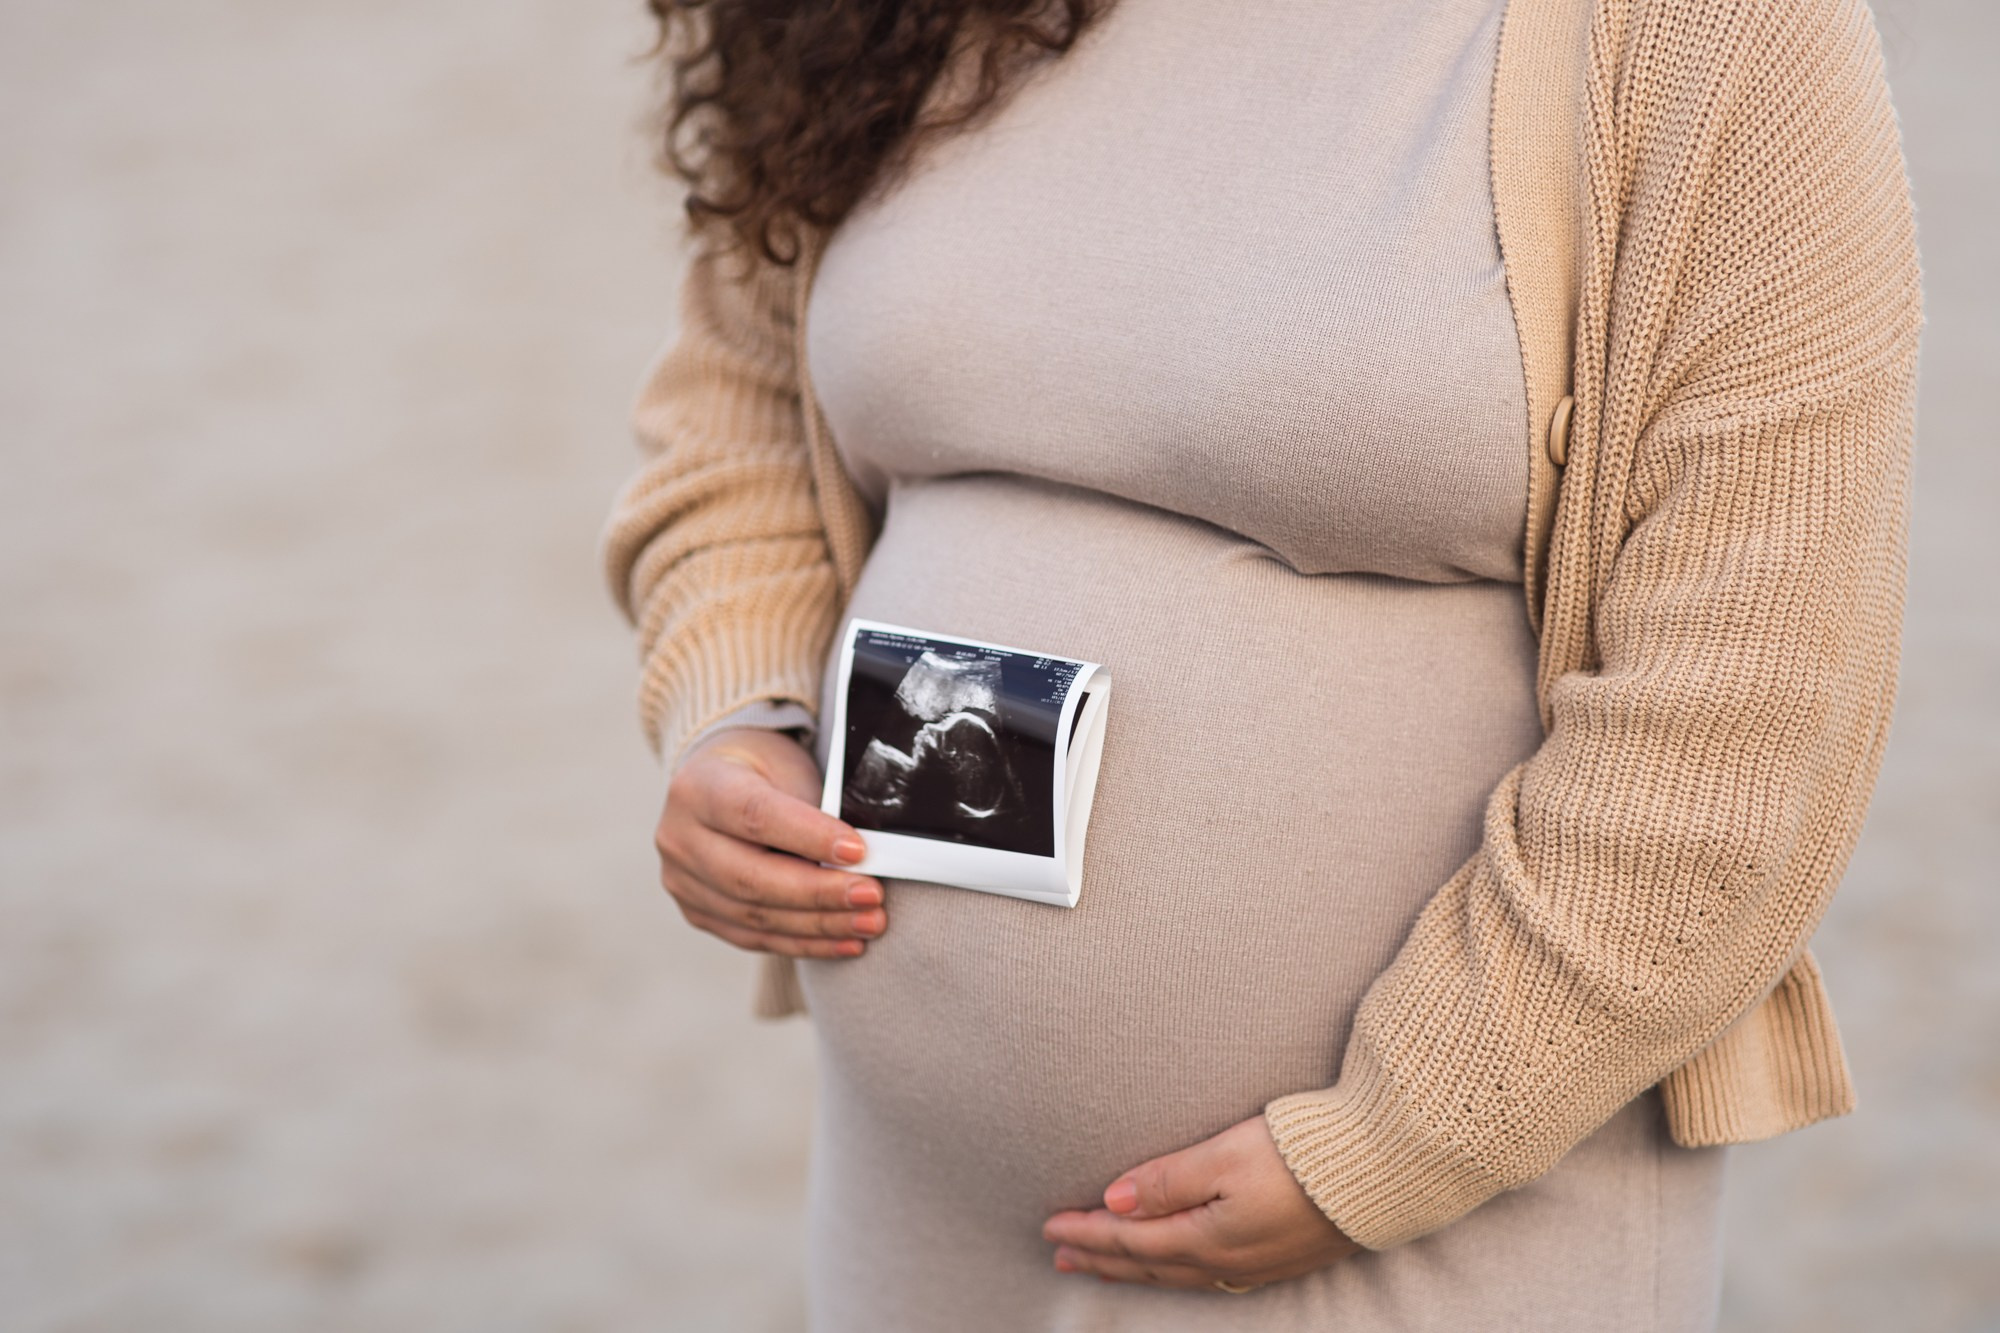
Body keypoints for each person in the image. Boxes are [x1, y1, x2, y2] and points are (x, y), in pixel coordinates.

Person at [602, 0, 1921, 1326]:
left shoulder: (1710, 30)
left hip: (1428, 1229)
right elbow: (741, 402)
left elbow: (1751, 698)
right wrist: (737, 708)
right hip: (916, 1220)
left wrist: (1398, 1142)